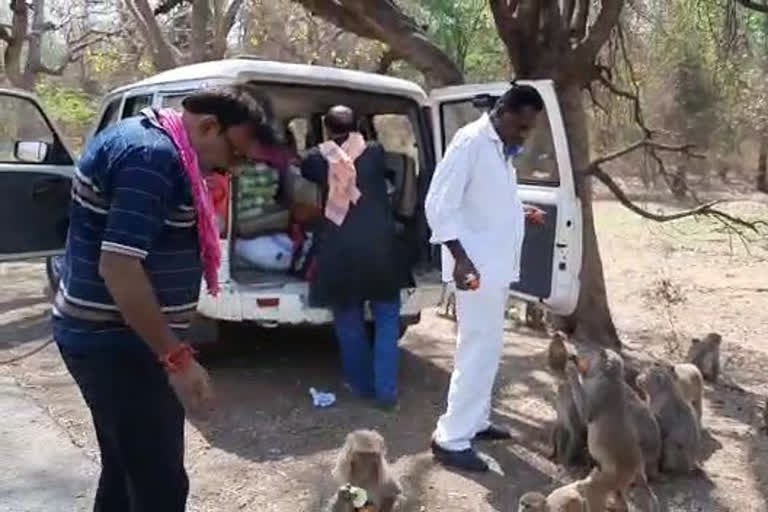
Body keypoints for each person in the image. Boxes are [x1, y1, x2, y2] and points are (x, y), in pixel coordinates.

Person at [52, 84, 278, 511]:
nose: (235, 169)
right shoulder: (151, 158)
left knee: (125, 471)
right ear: (209, 126)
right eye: (236, 155)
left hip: (119, 341)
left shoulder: (158, 144)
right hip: (116, 344)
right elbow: (119, 267)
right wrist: (176, 358)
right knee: (161, 487)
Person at [425, 84, 547, 472]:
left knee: (489, 348)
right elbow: (439, 205)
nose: (524, 136)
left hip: (494, 269)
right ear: (503, 113)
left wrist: (519, 212)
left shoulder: (500, 149)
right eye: (521, 127)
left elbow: (485, 201)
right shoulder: (471, 143)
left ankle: (475, 421)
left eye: (530, 129)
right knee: (475, 350)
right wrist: (460, 260)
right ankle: (451, 438)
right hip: (475, 271)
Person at [301, 105, 412, 409]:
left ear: (325, 129)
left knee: (349, 320)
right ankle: (386, 392)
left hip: (341, 250)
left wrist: (322, 144)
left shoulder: (316, 159)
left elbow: (307, 164)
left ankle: (360, 385)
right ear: (359, 126)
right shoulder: (374, 152)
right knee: (387, 319)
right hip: (380, 249)